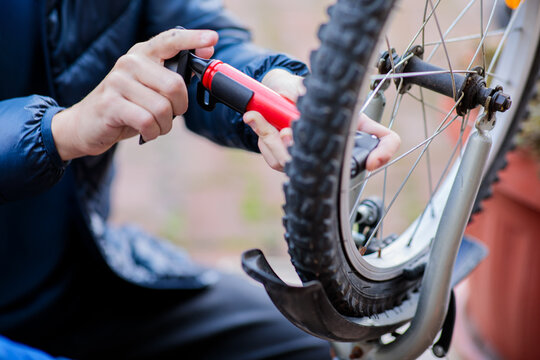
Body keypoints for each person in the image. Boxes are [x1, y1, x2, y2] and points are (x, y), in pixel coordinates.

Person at [0, 1, 399, 359]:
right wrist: (61, 131)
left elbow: (186, 39)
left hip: (83, 276)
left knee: (323, 348)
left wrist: (271, 84)